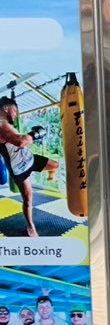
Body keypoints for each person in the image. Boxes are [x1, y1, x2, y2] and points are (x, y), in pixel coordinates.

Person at [0, 97, 58, 238]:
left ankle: (51, 177)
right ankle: (30, 226)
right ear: (6, 108)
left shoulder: (7, 125)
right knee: (28, 199)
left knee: (55, 165)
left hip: (30, 159)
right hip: (20, 168)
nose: (16, 114)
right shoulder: (1, 125)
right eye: (15, 111)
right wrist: (35, 134)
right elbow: (21, 142)